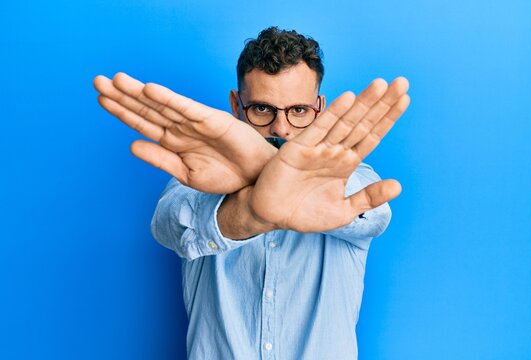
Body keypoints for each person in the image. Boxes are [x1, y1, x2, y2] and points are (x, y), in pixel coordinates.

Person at [94, 26, 409, 360]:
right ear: (236, 105)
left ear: (320, 107)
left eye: (298, 111)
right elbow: (169, 226)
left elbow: (375, 214)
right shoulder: (195, 182)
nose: (281, 127)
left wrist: (273, 172)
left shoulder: (351, 179)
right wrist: (250, 212)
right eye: (262, 109)